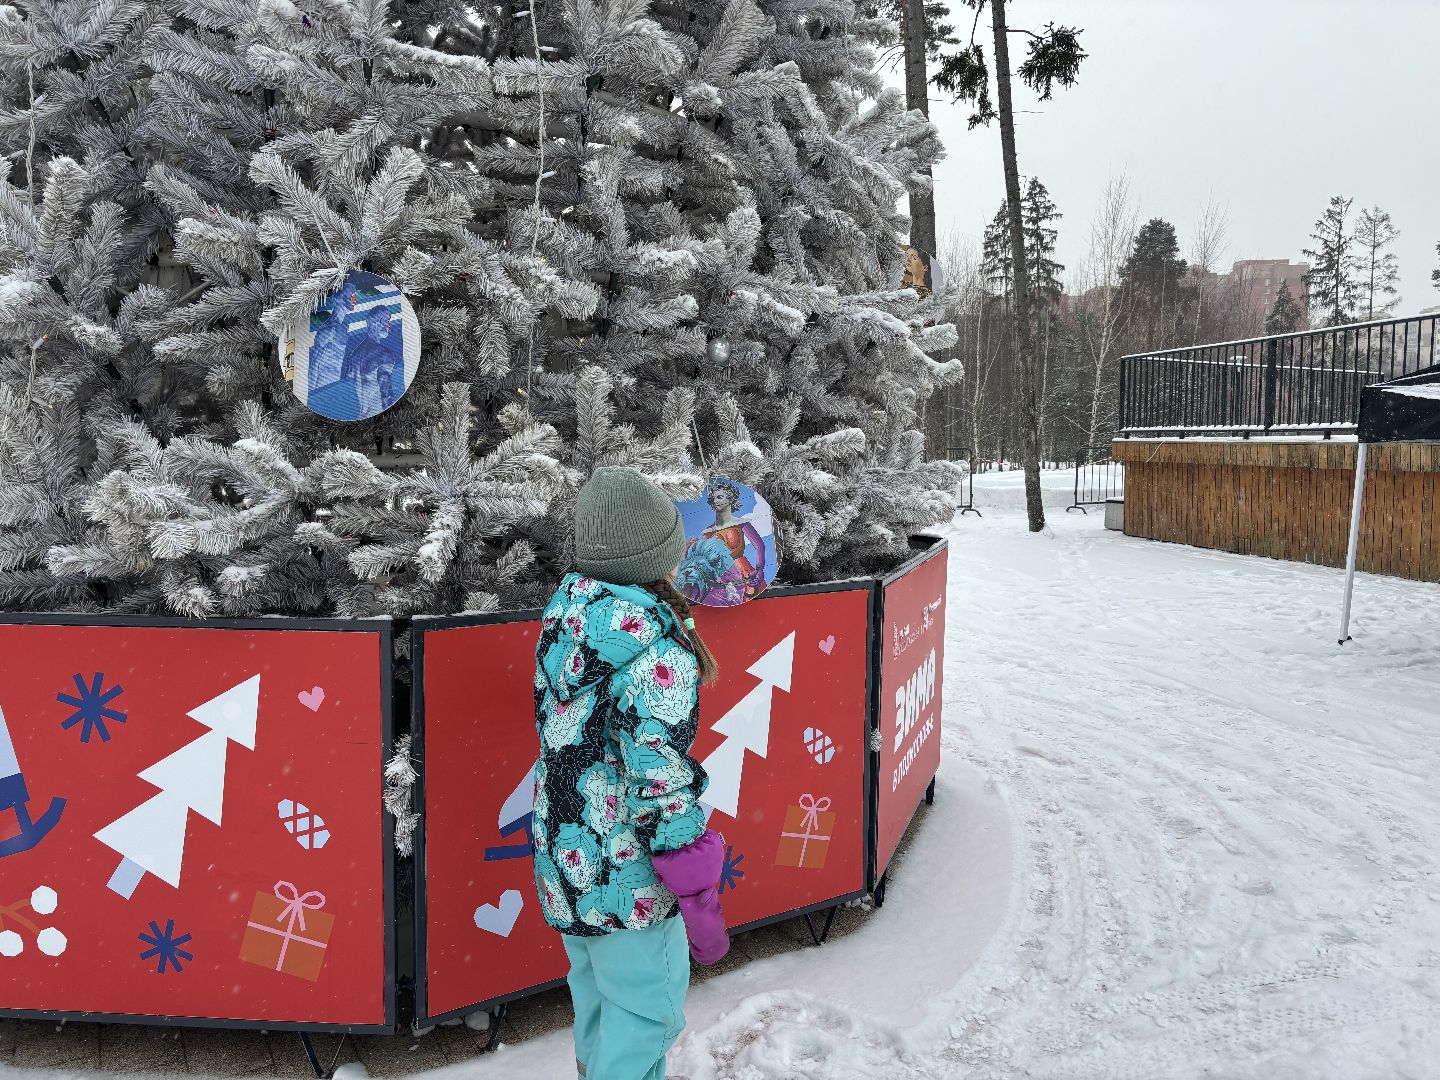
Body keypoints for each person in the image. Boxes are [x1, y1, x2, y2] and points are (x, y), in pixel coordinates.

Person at [533, 466, 730, 1080]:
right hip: (630, 879)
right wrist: (695, 885)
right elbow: (660, 778)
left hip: (568, 864)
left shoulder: (566, 620)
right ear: (656, 557)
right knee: (648, 1015)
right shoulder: (658, 653)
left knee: (598, 1005)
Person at [677, 479, 768, 606]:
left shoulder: (741, 523)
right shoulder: (708, 531)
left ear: (730, 499)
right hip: (717, 576)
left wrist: (760, 570)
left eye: (720, 497)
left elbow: (759, 545)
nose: (716, 501)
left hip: (742, 572)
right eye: (714, 498)